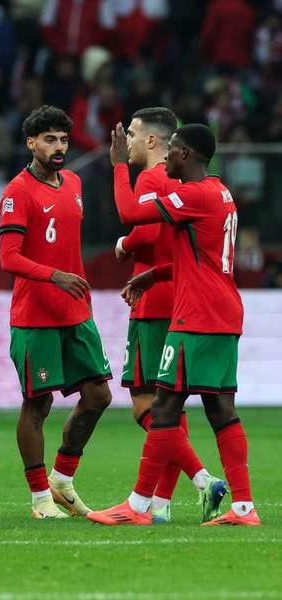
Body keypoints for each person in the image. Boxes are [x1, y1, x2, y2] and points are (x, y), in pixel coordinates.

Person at [87, 123, 257, 526]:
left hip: (195, 316)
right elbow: (203, 258)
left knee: (163, 404)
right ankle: (244, 508)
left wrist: (116, 167)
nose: (169, 159)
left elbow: (130, 213)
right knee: (219, 408)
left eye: (175, 151)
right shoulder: (221, 193)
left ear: (190, 154)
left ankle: (139, 506)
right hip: (222, 310)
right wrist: (156, 274)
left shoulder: (194, 194)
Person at [0, 105, 112, 519]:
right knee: (37, 405)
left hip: (76, 313)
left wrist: (71, 283)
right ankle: (39, 498)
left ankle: (62, 480)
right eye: (50, 139)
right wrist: (54, 276)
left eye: (63, 139)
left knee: (99, 396)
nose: (59, 146)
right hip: (35, 317)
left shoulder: (75, 182)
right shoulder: (17, 191)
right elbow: (8, 258)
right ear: (31, 143)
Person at [114, 108, 227, 523]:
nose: (125, 142)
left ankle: (200, 480)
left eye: (131, 134)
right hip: (180, 298)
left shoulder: (149, 179)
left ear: (151, 142)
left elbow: (142, 233)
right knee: (170, 406)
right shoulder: (187, 182)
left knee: (148, 404)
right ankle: (160, 505)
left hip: (157, 304)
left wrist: (124, 246)